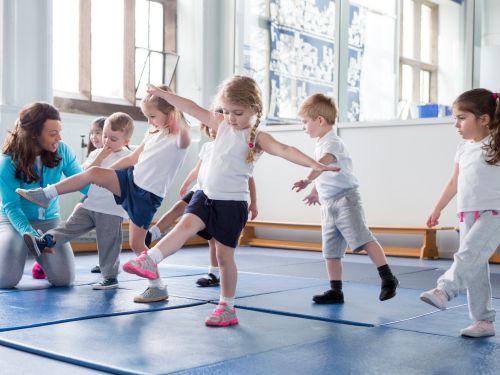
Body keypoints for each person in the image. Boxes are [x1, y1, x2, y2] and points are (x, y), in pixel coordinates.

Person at [122, 75, 340, 327]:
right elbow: (190, 107)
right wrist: (164, 95)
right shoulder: (221, 124)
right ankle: (151, 259)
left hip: (232, 204)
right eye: (225, 111)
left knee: (225, 258)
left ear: (254, 110)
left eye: (237, 112)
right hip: (205, 196)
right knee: (184, 226)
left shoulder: (256, 137)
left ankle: (227, 306)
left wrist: (314, 165)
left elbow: (285, 150)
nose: (230, 117)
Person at [16, 85, 190, 303]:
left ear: (171, 114)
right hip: (130, 182)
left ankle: (157, 287)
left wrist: (168, 97)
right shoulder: (153, 134)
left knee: (137, 245)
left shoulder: (180, 139)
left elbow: (182, 125)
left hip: (147, 195)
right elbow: (131, 160)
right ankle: (45, 194)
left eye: (152, 116)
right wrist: (107, 171)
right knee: (94, 173)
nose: (149, 122)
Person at [292, 94, 399, 304]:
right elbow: (325, 172)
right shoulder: (321, 142)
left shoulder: (333, 142)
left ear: (320, 120)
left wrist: (306, 179)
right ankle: (336, 290)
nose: (303, 127)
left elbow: (322, 164)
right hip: (328, 204)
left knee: (363, 237)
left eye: (305, 122)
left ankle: (388, 277)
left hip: (345, 200)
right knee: (330, 251)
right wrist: (315, 191)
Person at [420, 88, 500, 338]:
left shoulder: (496, 143)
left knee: (467, 255)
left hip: (495, 212)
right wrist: (438, 207)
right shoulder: (463, 148)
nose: (456, 124)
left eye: (462, 117)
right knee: (474, 267)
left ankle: (444, 290)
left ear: (483, 119)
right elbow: (454, 181)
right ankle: (483, 321)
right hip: (467, 212)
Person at [24, 113, 133, 290]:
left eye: (113, 139)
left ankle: (110, 277)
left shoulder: (128, 157)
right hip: (90, 204)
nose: (107, 141)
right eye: (105, 136)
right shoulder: (96, 153)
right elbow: (84, 174)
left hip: (111, 209)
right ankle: (45, 241)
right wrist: (101, 156)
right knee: (69, 226)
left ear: (126, 141)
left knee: (108, 243)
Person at [146, 122, 258, 287]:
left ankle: (213, 273)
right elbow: (197, 169)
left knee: (213, 239)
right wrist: (186, 183)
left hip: (219, 197)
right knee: (177, 208)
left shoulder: (234, 149)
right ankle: (153, 233)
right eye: (210, 129)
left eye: (216, 129)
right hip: (200, 190)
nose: (213, 132)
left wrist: (254, 203)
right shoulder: (207, 147)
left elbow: (249, 178)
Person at [0, 102, 83, 288]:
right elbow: (12, 206)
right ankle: (8, 247)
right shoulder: (8, 162)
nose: (59, 138)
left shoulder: (62, 151)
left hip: (49, 221)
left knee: (64, 280)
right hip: (13, 221)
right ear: (34, 134)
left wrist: (112, 198)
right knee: (5, 281)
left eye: (59, 131)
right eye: (52, 134)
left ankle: (41, 261)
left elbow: (82, 182)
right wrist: (29, 235)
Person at [32, 116, 107, 278]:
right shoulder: (94, 155)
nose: (94, 136)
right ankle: (44, 257)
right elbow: (83, 176)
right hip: (91, 196)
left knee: (106, 229)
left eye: (98, 133)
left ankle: (106, 263)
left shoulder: (119, 153)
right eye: (92, 133)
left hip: (106, 199)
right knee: (73, 219)